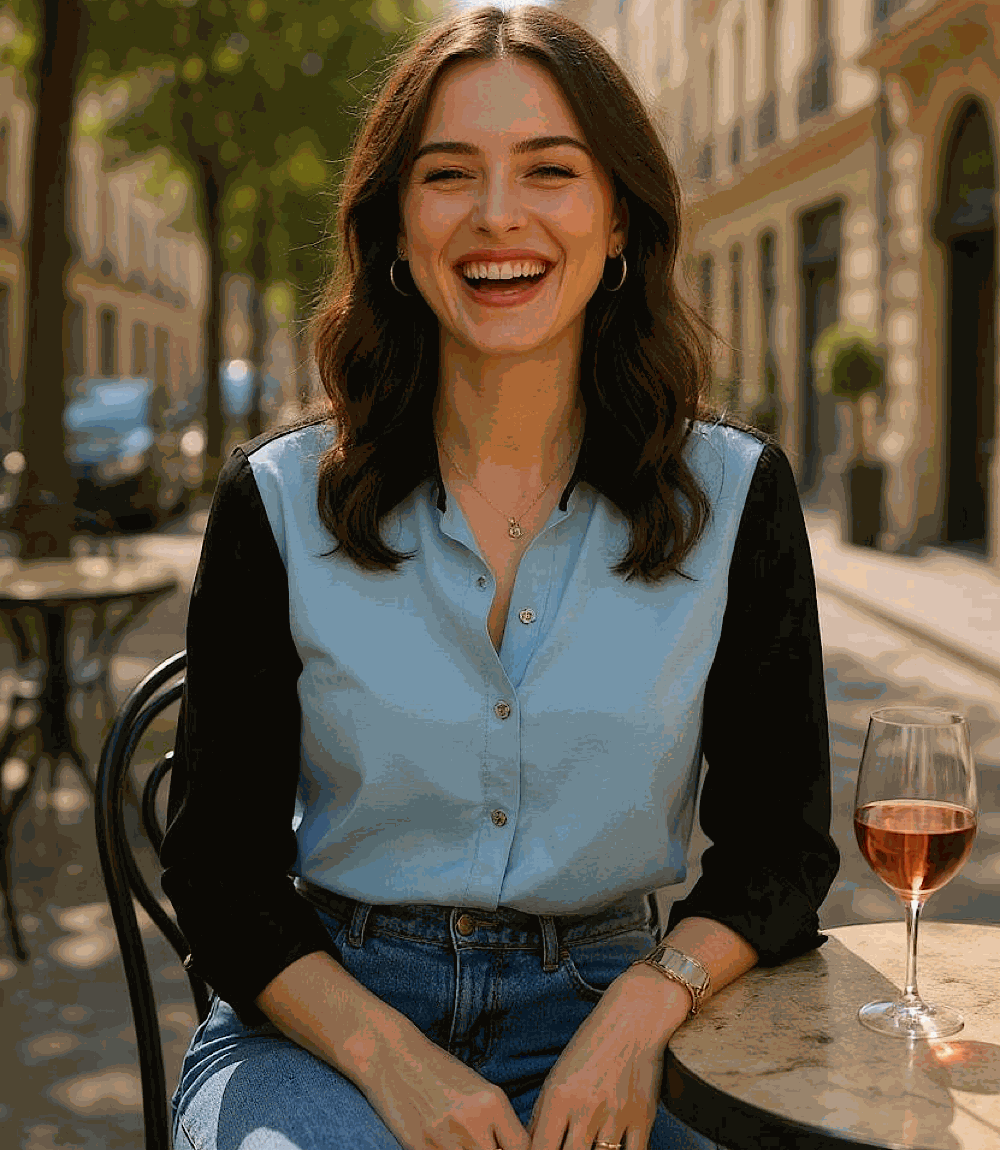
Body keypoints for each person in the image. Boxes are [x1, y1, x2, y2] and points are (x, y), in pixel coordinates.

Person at [161, 6, 840, 1149]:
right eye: (447, 175)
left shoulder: (737, 498)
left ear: (616, 213)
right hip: (323, 1019)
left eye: (549, 170)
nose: (496, 217)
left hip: (621, 1005)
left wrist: (647, 1002)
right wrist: (392, 1063)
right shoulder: (274, 501)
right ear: (394, 225)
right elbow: (218, 870)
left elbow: (781, 847)